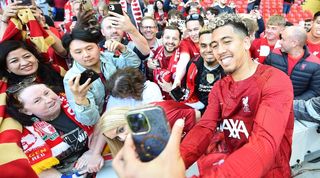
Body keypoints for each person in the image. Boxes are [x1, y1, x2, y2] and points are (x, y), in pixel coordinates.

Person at [6, 82, 93, 177]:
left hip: (96, 155)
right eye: (37, 101)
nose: (48, 100)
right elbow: (40, 169)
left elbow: (101, 125)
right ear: (26, 111)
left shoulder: (74, 101)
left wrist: (93, 152)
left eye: (47, 93)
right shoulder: (28, 134)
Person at [62, 28, 140, 127]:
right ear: (71, 55)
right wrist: (81, 100)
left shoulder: (108, 57)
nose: (86, 55)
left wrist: (122, 48)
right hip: (106, 123)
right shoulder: (73, 79)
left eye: (89, 48)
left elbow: (134, 64)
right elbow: (91, 121)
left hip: (125, 106)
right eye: (78, 52)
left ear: (98, 46)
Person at [264, 26, 320, 100]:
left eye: (283, 39)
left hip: (296, 107)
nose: (279, 42)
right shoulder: (273, 54)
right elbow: (263, 78)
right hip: (272, 101)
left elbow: (314, 91)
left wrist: (293, 102)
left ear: (294, 43)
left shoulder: (315, 64)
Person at [146, 25, 182, 99]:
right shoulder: (158, 50)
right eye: (167, 37)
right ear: (162, 38)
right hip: (157, 98)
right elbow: (152, 75)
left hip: (175, 105)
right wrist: (150, 68)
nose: (170, 41)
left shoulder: (184, 59)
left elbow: (188, 95)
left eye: (174, 39)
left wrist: (171, 90)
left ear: (180, 41)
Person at [173, 13, 204, 89]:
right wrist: (177, 79)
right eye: (190, 30)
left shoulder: (211, 38)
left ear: (204, 27)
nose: (193, 34)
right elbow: (183, 60)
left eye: (196, 29)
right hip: (196, 82)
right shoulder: (186, 42)